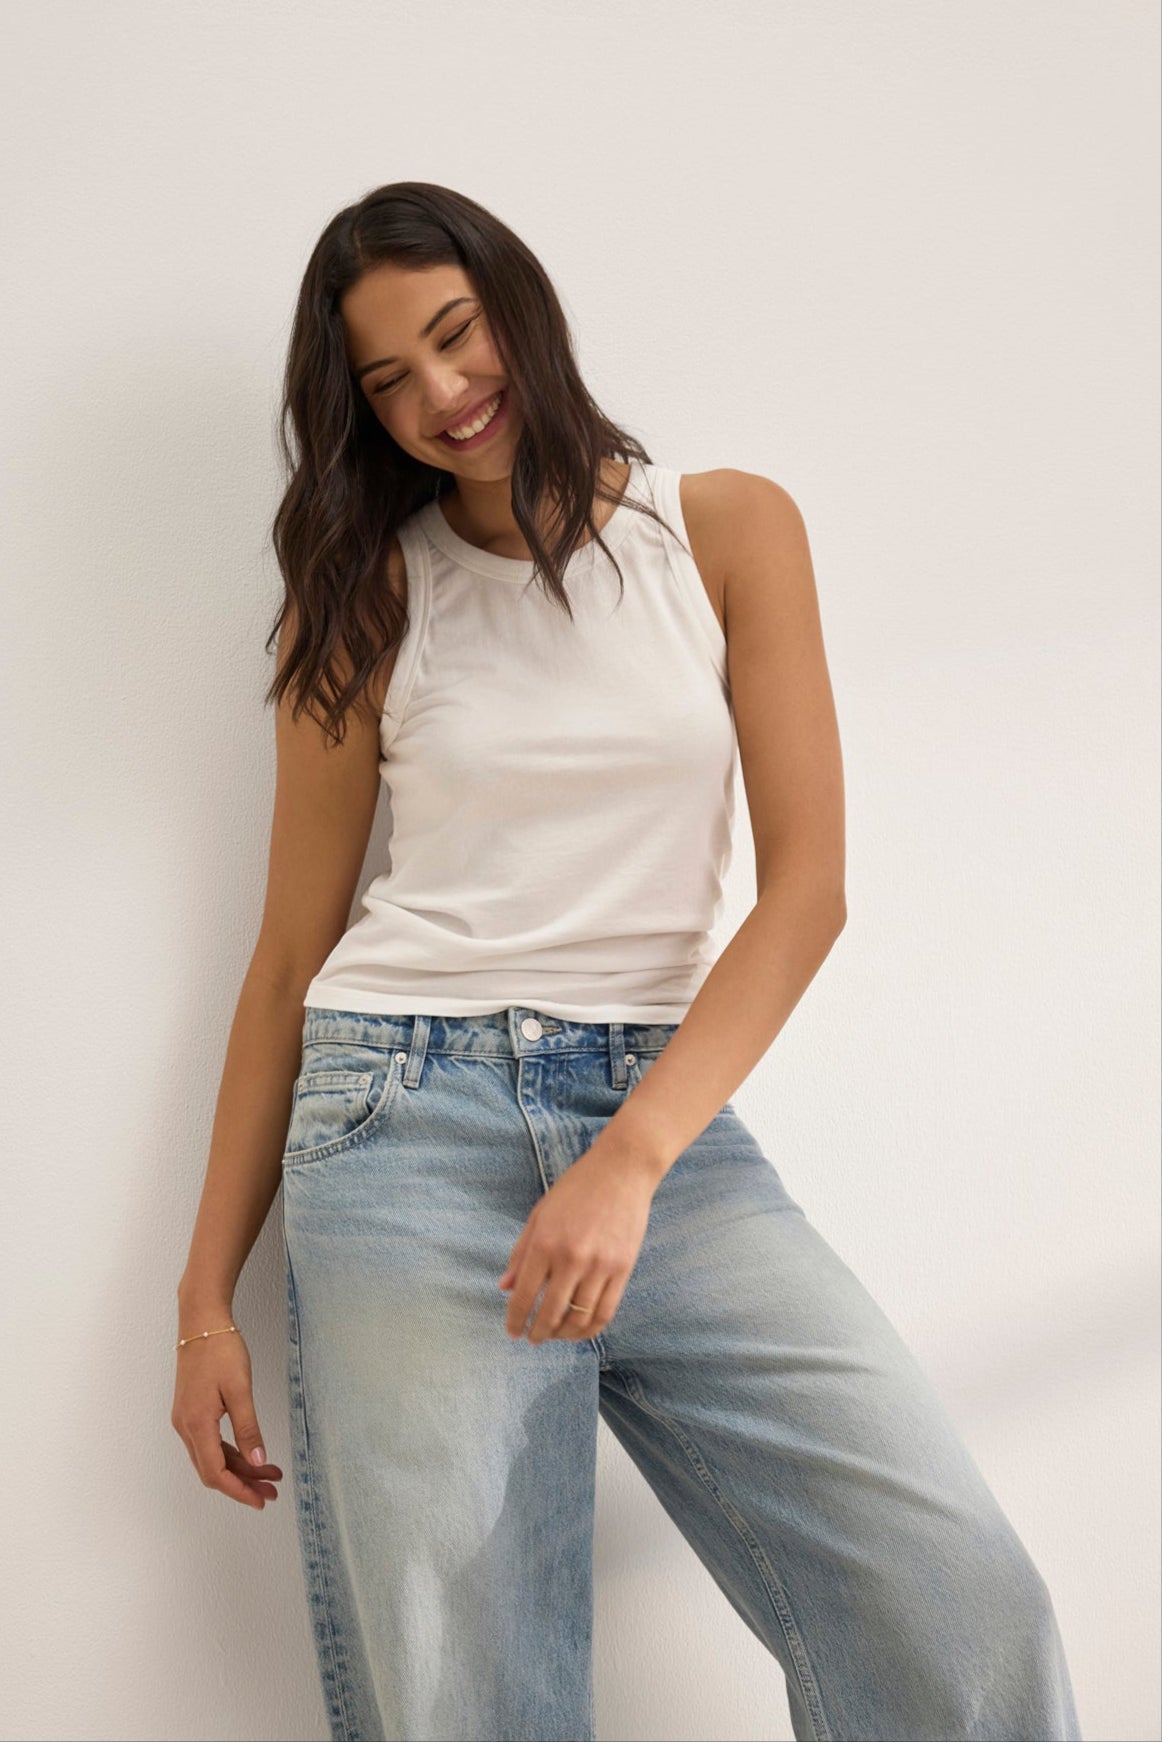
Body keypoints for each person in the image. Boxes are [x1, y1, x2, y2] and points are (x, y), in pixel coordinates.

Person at [171, 181, 1082, 1742]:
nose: (440, 395)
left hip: (659, 1127)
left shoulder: (723, 529)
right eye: (386, 380)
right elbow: (284, 962)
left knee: (952, 1597)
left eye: (453, 337)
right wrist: (202, 1304)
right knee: (472, 1693)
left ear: (518, 302)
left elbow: (807, 891)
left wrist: (633, 1155)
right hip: (399, 1120)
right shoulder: (369, 594)